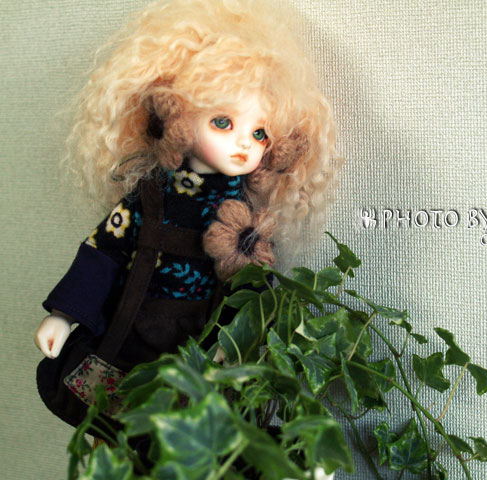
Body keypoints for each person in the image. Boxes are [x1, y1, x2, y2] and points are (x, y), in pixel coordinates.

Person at [34, 0, 339, 426]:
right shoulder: (149, 198)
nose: (243, 144)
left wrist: (236, 343)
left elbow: (252, 291)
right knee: (115, 430)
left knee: (187, 440)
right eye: (222, 123)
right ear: (176, 115)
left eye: (259, 133)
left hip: (199, 349)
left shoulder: (248, 219)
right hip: (132, 336)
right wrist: (65, 314)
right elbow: (103, 254)